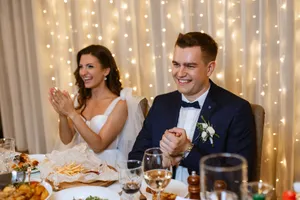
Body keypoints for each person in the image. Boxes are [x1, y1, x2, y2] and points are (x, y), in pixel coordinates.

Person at [128, 32, 255, 183]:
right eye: (176, 64)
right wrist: (161, 160)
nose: (180, 73)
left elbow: (238, 178)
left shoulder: (236, 110)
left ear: (209, 68)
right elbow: (134, 160)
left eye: (190, 66)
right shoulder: (161, 103)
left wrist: (187, 151)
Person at [49, 45, 145, 165]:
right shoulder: (80, 99)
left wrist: (72, 114)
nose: (83, 72)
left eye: (90, 66)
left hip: (107, 167)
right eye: (81, 67)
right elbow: (66, 139)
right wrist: (62, 114)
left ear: (106, 70)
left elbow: (98, 145)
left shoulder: (119, 104)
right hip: (80, 165)